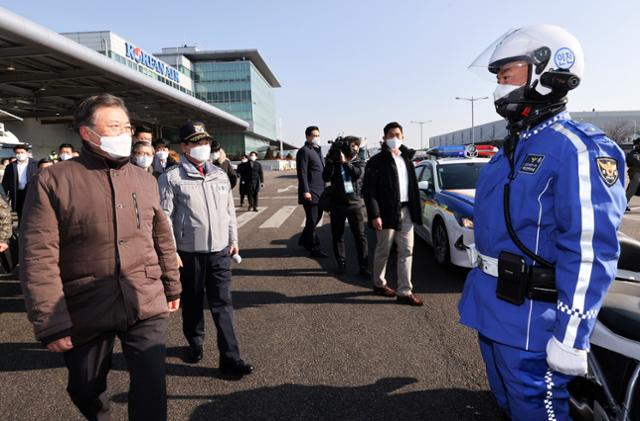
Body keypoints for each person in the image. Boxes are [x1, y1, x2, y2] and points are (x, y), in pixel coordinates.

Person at [457, 25, 627, 420]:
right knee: (506, 404)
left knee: (534, 410)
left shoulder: (578, 148)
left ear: (548, 71)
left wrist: (571, 337)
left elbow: (589, 249)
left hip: (534, 322)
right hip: (494, 309)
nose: (498, 87)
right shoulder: (510, 150)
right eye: (497, 77)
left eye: (506, 74)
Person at [19, 93, 181, 421]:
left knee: (151, 383)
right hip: (86, 301)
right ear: (86, 132)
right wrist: (49, 320)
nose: (123, 134)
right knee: (84, 387)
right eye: (113, 127)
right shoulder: (53, 181)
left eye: (126, 126)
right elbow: (39, 256)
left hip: (144, 296)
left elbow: (161, 236)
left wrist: (172, 285)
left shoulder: (144, 179)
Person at [158, 121, 254, 377]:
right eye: (197, 142)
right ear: (184, 146)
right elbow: (164, 218)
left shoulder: (220, 175)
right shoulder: (171, 178)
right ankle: (195, 342)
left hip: (220, 251)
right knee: (192, 302)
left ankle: (231, 358)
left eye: (206, 142)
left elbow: (229, 211)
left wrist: (233, 239)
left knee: (223, 304)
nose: (203, 146)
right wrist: (172, 252)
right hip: (188, 253)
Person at [363, 122, 423, 306]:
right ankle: (379, 283)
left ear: (403, 136)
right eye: (390, 135)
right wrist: (375, 215)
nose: (394, 138)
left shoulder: (407, 159)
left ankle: (405, 291)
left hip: (406, 211)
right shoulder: (376, 161)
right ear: (384, 138)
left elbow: (412, 186)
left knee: (407, 250)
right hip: (387, 212)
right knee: (383, 250)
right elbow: (369, 191)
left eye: (397, 134)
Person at [323, 136, 369, 276]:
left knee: (360, 236)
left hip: (354, 203)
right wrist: (331, 161)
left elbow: (357, 174)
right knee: (338, 235)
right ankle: (341, 263)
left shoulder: (359, 161)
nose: (355, 148)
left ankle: (364, 267)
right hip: (337, 203)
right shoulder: (335, 161)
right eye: (353, 145)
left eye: (357, 146)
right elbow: (326, 177)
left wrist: (345, 163)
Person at [296, 126, 328, 258]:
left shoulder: (318, 151)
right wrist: (306, 191)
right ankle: (314, 248)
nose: (317, 138)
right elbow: (302, 172)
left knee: (315, 219)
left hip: (320, 191)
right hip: (311, 192)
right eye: (314, 135)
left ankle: (304, 240)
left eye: (318, 135)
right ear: (307, 137)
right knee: (312, 220)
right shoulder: (304, 151)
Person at [2, 144, 38, 220]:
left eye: (22, 152)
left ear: (27, 153)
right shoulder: (11, 166)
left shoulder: (35, 164)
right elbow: (5, 182)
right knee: (19, 211)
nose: (20, 154)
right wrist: (3, 196)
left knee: (31, 211)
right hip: (17, 193)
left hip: (30, 192)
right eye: (17, 153)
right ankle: (20, 227)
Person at [625, 137, 640, 209]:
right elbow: (636, 162)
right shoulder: (633, 153)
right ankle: (624, 203)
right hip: (636, 172)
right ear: (638, 144)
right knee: (632, 189)